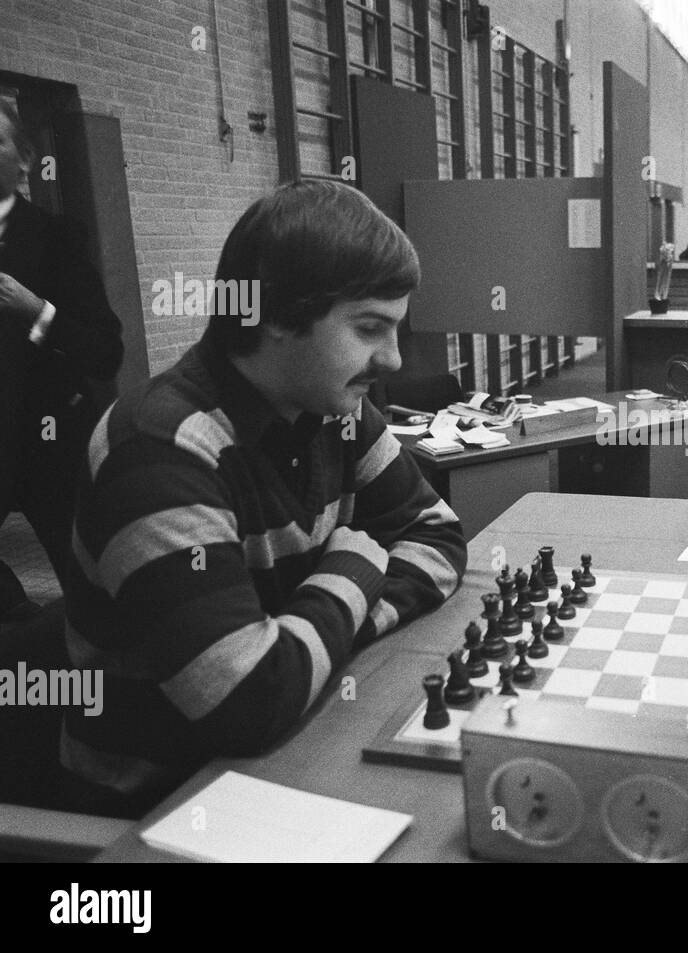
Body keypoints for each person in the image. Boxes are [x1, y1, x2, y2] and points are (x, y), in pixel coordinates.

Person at [60, 181, 469, 816]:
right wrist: (353, 569)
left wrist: (322, 626)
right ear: (276, 316)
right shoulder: (157, 448)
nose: (390, 358)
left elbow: (438, 535)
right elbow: (247, 703)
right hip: (162, 804)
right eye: (369, 328)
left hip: (299, 727)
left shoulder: (334, 407)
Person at [0, 98, 123, 623]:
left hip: (48, 446)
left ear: (24, 160)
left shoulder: (56, 238)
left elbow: (106, 352)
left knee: (91, 590)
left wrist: (38, 313)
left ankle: (105, 689)